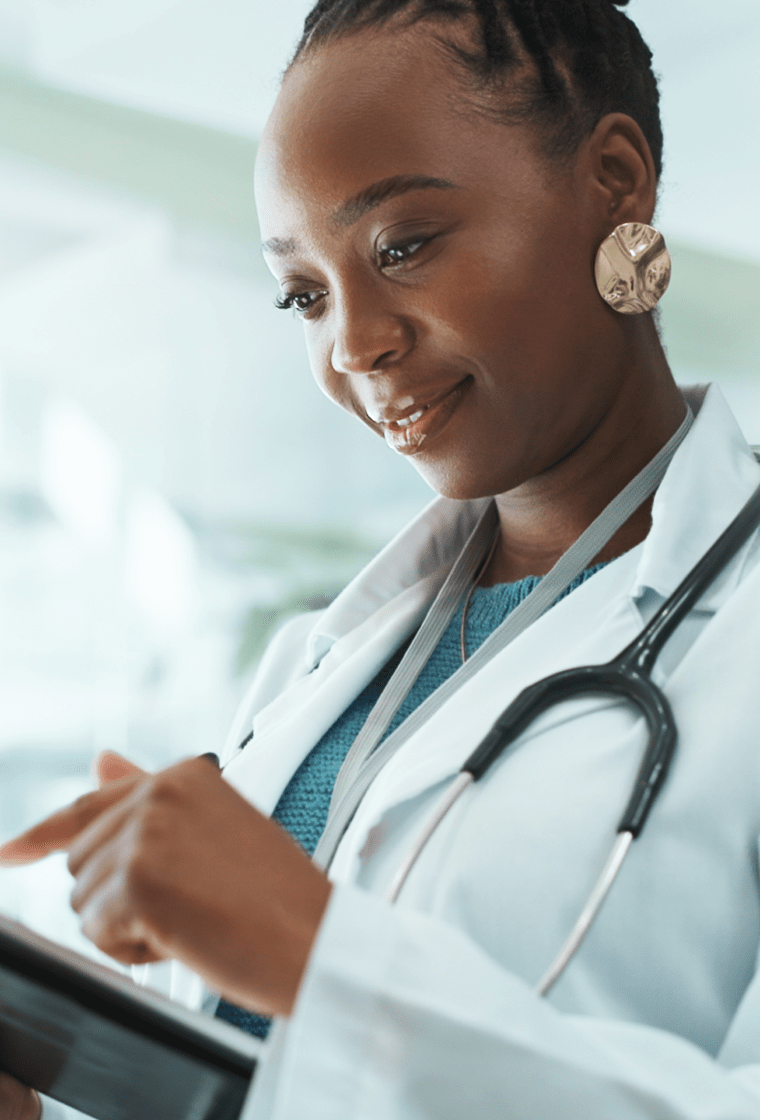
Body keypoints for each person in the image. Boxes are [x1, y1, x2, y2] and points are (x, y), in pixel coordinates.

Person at [3, 0, 760, 1116]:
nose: (352, 343)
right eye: (303, 294)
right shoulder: (324, 667)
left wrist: (321, 955)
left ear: (612, 179)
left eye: (401, 247)